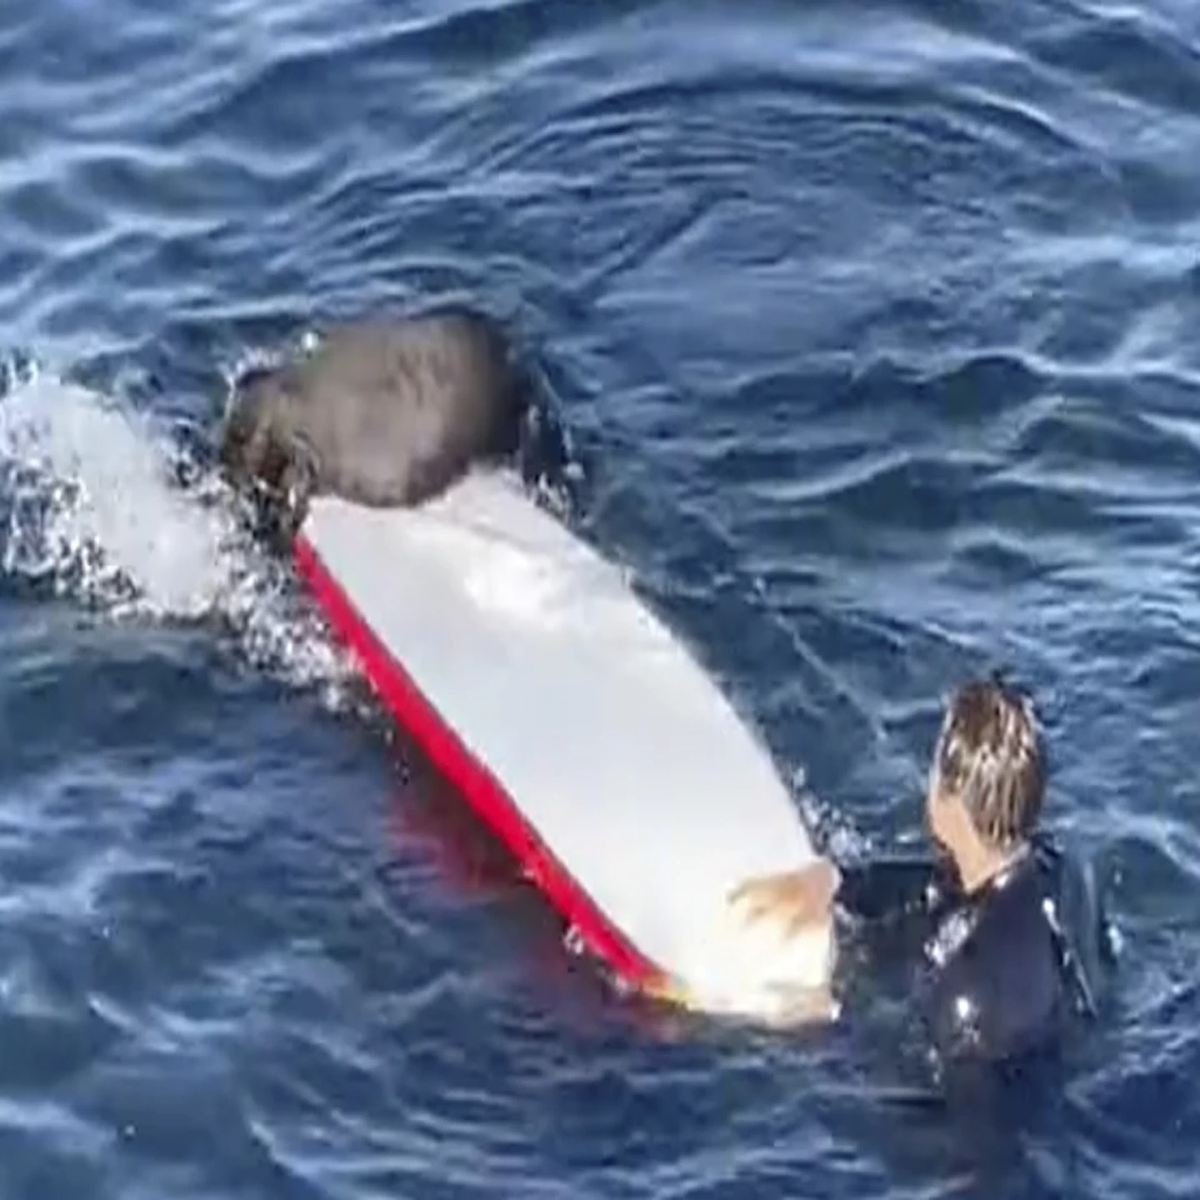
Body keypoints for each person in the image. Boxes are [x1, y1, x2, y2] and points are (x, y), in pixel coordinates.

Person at [729, 674, 1116, 1065]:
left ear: (951, 799)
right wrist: (838, 882)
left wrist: (829, 1018)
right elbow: (939, 893)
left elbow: (910, 1081)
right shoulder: (1067, 873)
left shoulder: (963, 992)